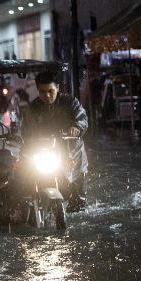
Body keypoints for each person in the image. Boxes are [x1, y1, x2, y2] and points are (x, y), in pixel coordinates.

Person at [22, 71, 89, 212]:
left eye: (50, 91)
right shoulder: (33, 108)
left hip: (71, 151)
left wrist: (77, 126)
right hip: (46, 152)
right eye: (42, 92)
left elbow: (82, 117)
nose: (47, 96)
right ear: (38, 91)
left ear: (57, 88)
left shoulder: (71, 102)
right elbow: (26, 132)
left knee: (78, 199)